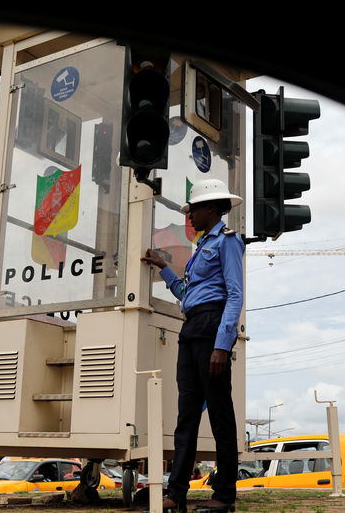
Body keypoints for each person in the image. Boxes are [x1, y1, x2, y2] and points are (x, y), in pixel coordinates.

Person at [141, 178, 244, 513]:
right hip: (191, 330)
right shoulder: (202, 246)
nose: (189, 216)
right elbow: (188, 295)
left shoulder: (228, 242)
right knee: (186, 417)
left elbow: (234, 294)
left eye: (194, 209)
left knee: (220, 416)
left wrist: (222, 345)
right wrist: (165, 269)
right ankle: (176, 494)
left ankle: (224, 496)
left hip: (212, 330)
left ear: (211, 209)